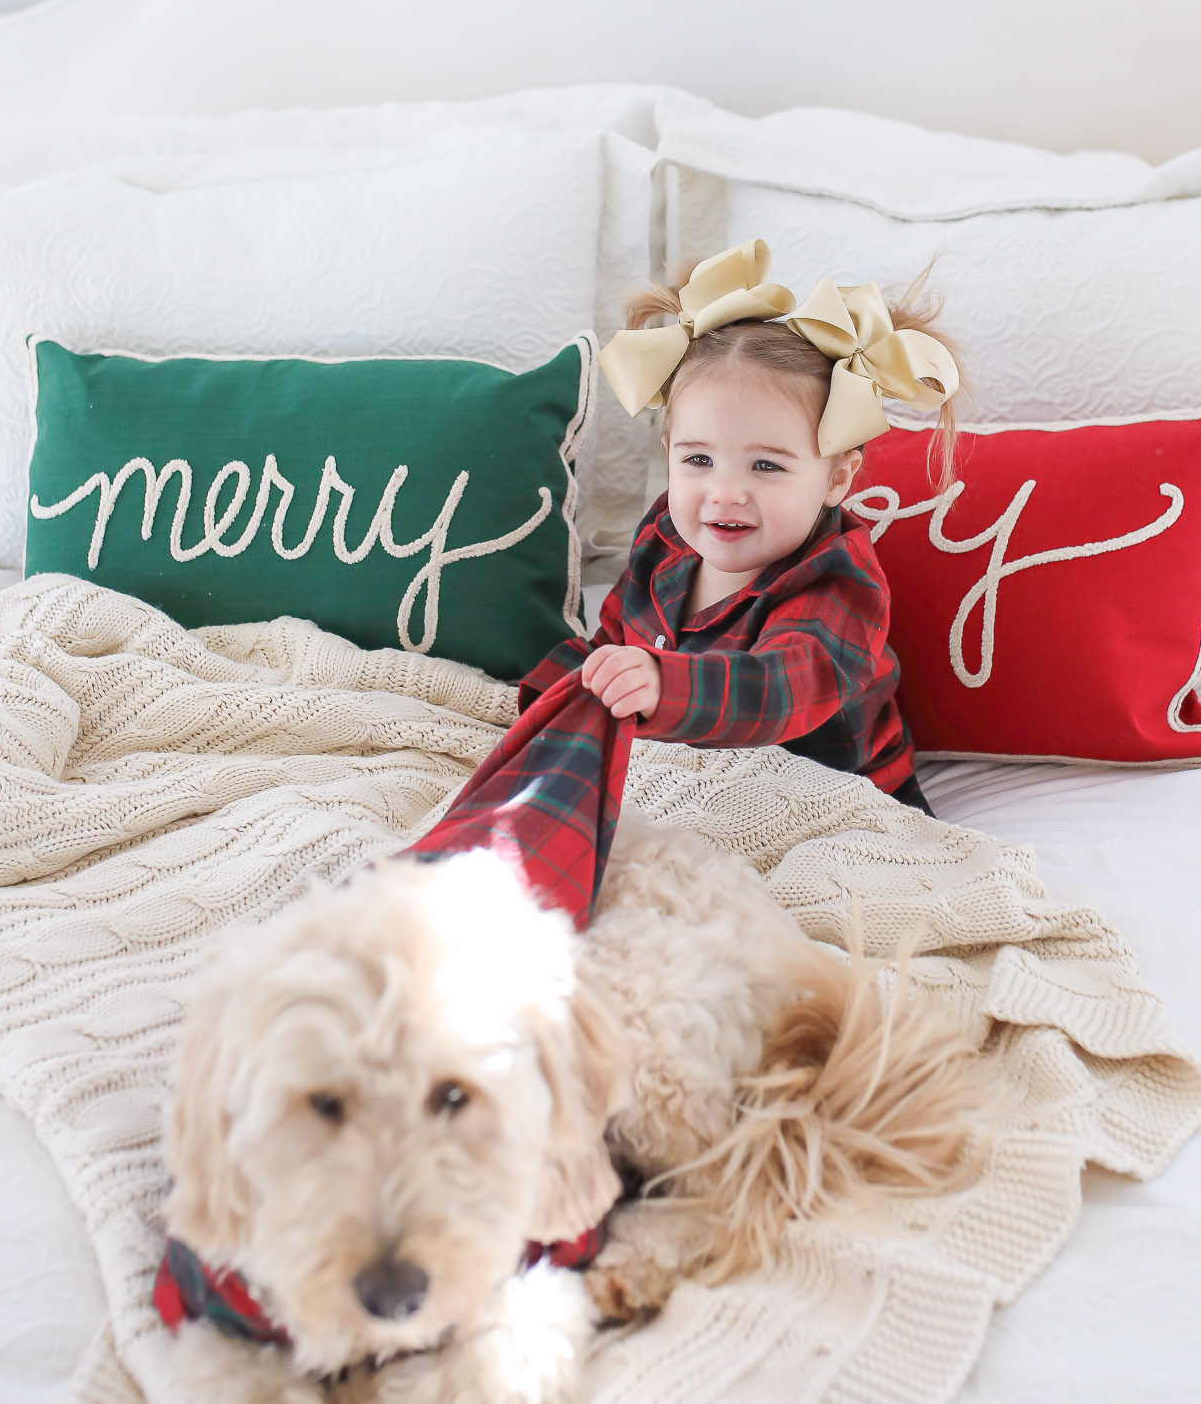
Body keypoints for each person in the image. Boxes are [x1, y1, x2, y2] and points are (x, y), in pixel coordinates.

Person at [404, 239, 959, 927]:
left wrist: (661, 684)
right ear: (668, 453)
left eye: (766, 467)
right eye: (699, 459)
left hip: (827, 803)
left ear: (838, 476)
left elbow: (782, 688)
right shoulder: (669, 534)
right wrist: (549, 697)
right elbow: (614, 640)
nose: (724, 495)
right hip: (686, 779)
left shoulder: (838, 581)